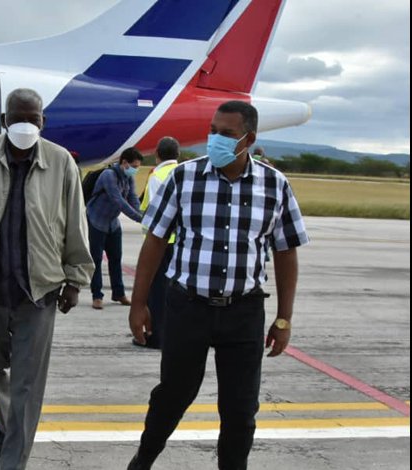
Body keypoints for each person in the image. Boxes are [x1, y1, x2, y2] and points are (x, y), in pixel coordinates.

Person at [126, 101, 309, 470]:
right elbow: (155, 242)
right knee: (173, 397)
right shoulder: (184, 177)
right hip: (187, 307)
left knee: (241, 410)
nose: (215, 139)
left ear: (248, 139)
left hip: (244, 312)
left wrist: (284, 319)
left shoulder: (275, 186)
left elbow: (286, 252)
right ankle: (142, 462)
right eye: (213, 131)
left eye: (226, 134)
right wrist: (138, 304)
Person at [0, 88, 94, 470]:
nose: (26, 125)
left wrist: (75, 279)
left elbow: (75, 225)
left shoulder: (61, 163)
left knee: (27, 383)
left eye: (34, 118)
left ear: (43, 121)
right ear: (5, 120)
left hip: (39, 290)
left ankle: (13, 460)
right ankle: (9, 422)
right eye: (19, 118)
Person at [136, 136, 180, 349]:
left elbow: (155, 211)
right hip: (180, 243)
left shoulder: (157, 175)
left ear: (157, 154)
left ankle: (156, 336)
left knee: (157, 291)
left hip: (161, 243)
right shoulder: (184, 173)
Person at [86, 147, 144, 310]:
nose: (135, 170)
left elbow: (132, 198)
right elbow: (118, 201)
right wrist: (140, 219)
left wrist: (141, 214)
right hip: (96, 221)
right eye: (134, 166)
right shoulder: (108, 175)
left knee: (116, 258)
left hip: (112, 223)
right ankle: (97, 296)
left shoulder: (128, 178)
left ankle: (119, 293)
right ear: (124, 162)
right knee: (96, 259)